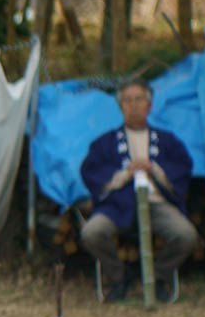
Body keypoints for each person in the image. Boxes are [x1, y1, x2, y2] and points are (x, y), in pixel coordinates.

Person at [80, 80, 198, 302]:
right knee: (91, 233)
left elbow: (183, 167)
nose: (133, 105)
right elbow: (90, 171)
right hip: (117, 206)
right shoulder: (104, 143)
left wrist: (155, 169)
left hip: (157, 204)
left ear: (149, 106)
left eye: (139, 99)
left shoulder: (167, 140)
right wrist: (125, 173)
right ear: (121, 107)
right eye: (128, 100)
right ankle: (119, 277)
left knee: (186, 235)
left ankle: (158, 277)